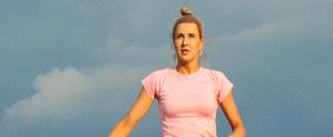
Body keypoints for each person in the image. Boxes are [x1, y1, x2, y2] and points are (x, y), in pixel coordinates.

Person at [105, 7, 248, 137]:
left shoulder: (217, 79)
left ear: (200, 43)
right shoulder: (157, 79)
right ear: (173, 42)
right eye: (180, 36)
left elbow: (239, 127)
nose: (185, 42)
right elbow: (126, 124)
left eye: (191, 36)